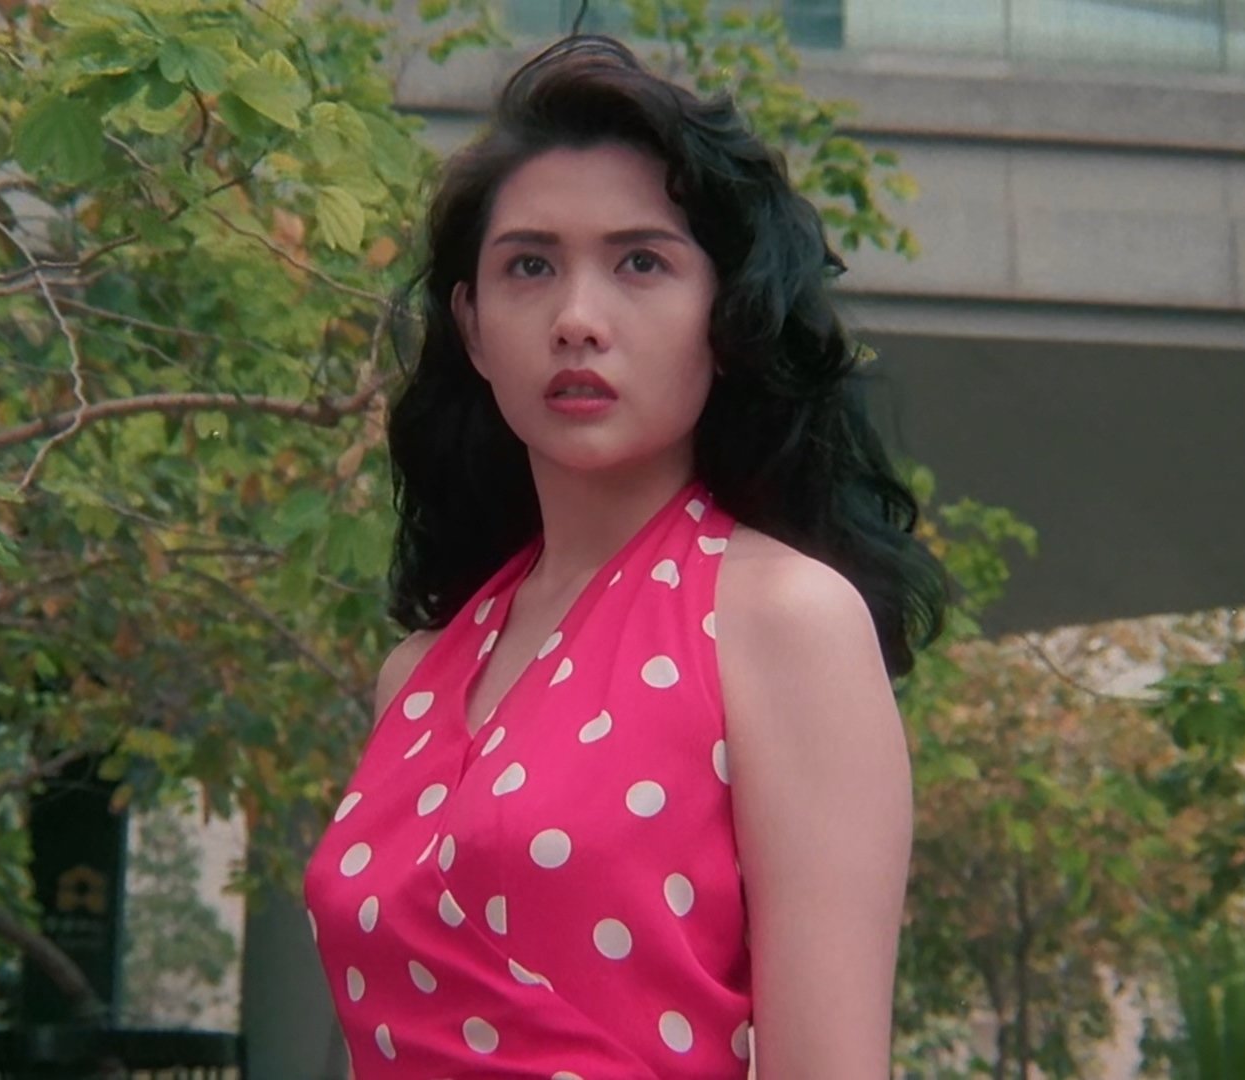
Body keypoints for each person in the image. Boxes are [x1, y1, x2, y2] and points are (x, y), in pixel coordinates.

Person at [302, 34, 946, 1078]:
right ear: (473, 326)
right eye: (529, 267)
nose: (576, 320)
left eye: (641, 262)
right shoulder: (414, 676)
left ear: (724, 314)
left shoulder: (784, 621)